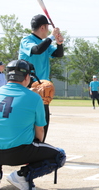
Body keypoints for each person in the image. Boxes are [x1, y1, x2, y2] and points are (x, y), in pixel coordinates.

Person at [0, 60, 66, 190]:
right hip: (19, 153)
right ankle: (22, 176)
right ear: (27, 77)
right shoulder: (35, 97)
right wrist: (34, 152)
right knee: (60, 155)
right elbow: (40, 131)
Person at [19, 14, 64, 142]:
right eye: (48, 28)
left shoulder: (45, 43)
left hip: (42, 86)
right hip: (28, 84)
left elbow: (57, 54)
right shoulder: (26, 40)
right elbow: (37, 50)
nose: (49, 31)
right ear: (43, 27)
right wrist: (51, 37)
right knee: (29, 117)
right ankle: (26, 145)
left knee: (43, 118)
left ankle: (40, 145)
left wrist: (59, 43)